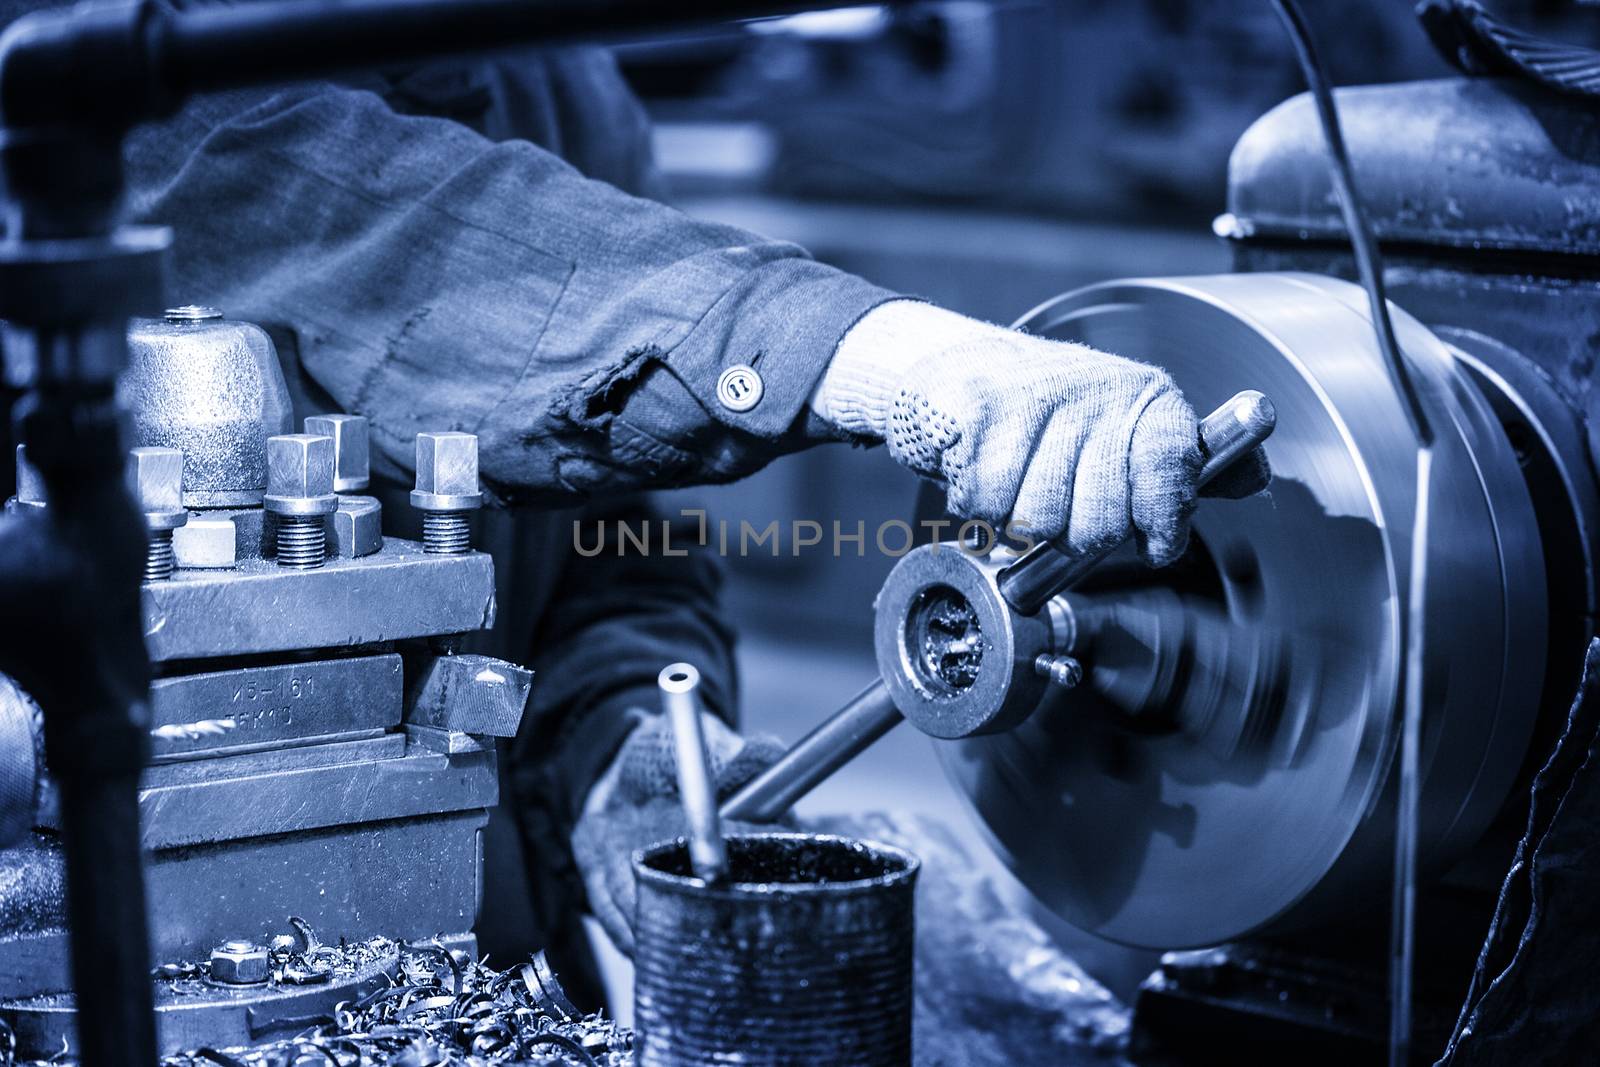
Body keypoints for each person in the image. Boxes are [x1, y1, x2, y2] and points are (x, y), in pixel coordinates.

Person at [0, 0, 1265, 1008]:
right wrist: (893, 357)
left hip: (471, 968)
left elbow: (613, 565)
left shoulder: (554, 76)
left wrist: (639, 773)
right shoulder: (103, 59)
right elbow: (349, 213)